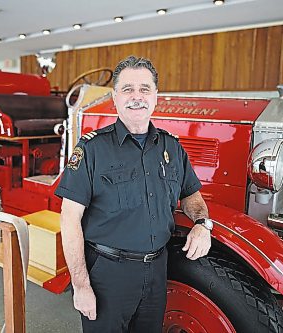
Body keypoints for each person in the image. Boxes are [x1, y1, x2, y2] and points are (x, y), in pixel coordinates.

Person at [55, 55, 211, 333]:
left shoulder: (172, 147)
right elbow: (69, 220)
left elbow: (192, 196)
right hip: (107, 275)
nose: (136, 97)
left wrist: (202, 225)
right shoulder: (91, 150)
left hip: (156, 273)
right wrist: (80, 286)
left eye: (144, 89)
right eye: (127, 89)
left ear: (155, 96)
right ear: (115, 97)